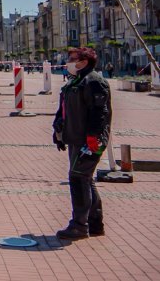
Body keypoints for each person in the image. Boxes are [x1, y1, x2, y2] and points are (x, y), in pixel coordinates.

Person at [53, 47, 112, 240]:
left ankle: (79, 225)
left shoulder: (94, 81)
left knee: (78, 179)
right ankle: (95, 223)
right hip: (75, 138)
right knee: (85, 178)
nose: (68, 62)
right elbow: (65, 108)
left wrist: (94, 137)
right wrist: (59, 129)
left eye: (72, 59)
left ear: (84, 62)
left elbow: (100, 113)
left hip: (89, 140)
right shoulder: (75, 81)